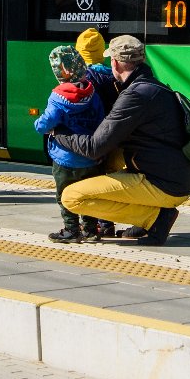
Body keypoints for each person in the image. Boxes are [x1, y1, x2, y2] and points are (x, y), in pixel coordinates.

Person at [50, 34, 190, 247]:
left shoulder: (135, 95)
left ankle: (154, 218)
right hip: (177, 176)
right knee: (112, 161)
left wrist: (59, 134)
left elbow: (94, 147)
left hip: (165, 184)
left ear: (115, 63)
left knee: (72, 197)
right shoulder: (152, 86)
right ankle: (149, 217)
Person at [33, 46, 111, 243]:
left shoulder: (58, 97)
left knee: (65, 195)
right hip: (90, 157)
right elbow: (101, 118)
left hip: (65, 158)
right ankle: (91, 230)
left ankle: (71, 229)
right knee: (89, 195)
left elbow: (47, 123)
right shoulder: (92, 92)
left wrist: (39, 125)